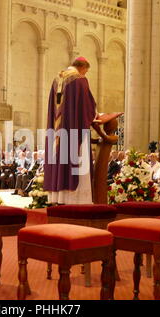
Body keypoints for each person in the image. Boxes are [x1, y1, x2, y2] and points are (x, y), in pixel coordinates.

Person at [44, 56, 115, 205]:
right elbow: (87, 107)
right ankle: (76, 200)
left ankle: (59, 198)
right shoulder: (79, 80)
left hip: (57, 133)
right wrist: (96, 115)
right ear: (83, 67)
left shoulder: (57, 79)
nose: (85, 74)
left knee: (59, 158)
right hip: (74, 132)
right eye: (86, 71)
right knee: (76, 161)